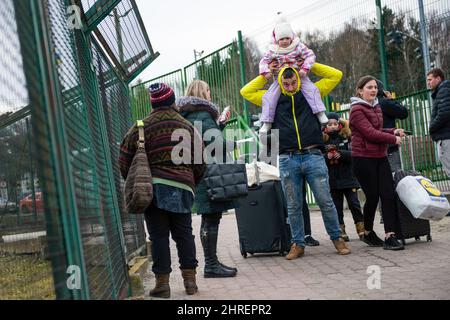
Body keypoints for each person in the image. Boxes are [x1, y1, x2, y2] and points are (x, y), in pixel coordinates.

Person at [241, 62, 351, 259]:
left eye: (294, 82)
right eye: (286, 83)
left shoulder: (311, 93)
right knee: (293, 205)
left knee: (325, 200)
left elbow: (336, 74)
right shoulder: (270, 99)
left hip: (313, 155)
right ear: (281, 82)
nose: (290, 87)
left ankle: (337, 238)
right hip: (287, 158)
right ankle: (297, 244)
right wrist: (267, 75)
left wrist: (307, 64)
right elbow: (246, 91)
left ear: (298, 79)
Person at [119, 83, 206, 298]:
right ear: (172, 100)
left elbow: (124, 158)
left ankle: (163, 285)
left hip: (154, 189)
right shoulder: (186, 125)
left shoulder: (141, 127)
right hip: (183, 188)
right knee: (184, 235)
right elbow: (201, 161)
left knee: (158, 237)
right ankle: (190, 282)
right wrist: (189, 179)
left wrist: (136, 180)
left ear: (153, 103)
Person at [178, 80, 238, 278]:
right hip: (209, 174)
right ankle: (211, 265)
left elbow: (203, 140)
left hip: (197, 172)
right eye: (208, 90)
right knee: (211, 218)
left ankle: (211, 263)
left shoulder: (187, 114)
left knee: (208, 218)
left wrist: (219, 124)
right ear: (203, 93)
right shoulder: (203, 114)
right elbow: (215, 145)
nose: (210, 93)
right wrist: (234, 143)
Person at [349, 76, 406, 251]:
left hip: (380, 156)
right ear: (360, 91)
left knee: (388, 193)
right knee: (373, 196)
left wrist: (393, 130)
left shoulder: (376, 106)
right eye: (369, 87)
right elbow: (369, 134)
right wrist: (393, 138)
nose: (373, 90)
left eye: (375, 87)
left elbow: (377, 130)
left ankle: (390, 235)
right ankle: (367, 232)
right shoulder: (356, 110)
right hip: (363, 158)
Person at [258, 20, 328, 136]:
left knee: (312, 90)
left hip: (298, 75)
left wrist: (305, 68)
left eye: (287, 38)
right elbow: (263, 62)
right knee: (269, 97)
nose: (285, 41)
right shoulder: (273, 50)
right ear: (276, 40)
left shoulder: (298, 46)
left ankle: (320, 112)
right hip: (281, 79)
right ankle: (267, 122)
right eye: (281, 39)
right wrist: (266, 72)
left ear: (291, 37)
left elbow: (310, 55)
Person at [323, 112, 365, 241]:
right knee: (337, 206)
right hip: (333, 180)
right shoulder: (322, 140)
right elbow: (318, 158)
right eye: (330, 124)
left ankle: (362, 228)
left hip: (349, 178)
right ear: (325, 126)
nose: (333, 126)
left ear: (340, 124)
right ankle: (341, 230)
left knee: (354, 203)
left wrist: (341, 154)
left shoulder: (347, 137)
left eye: (335, 124)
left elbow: (355, 153)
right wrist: (327, 157)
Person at [427, 68, 450, 177]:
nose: (428, 83)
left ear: (438, 78)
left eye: (430, 80)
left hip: (446, 137)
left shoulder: (443, 91)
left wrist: (432, 127)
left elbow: (444, 113)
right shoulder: (443, 90)